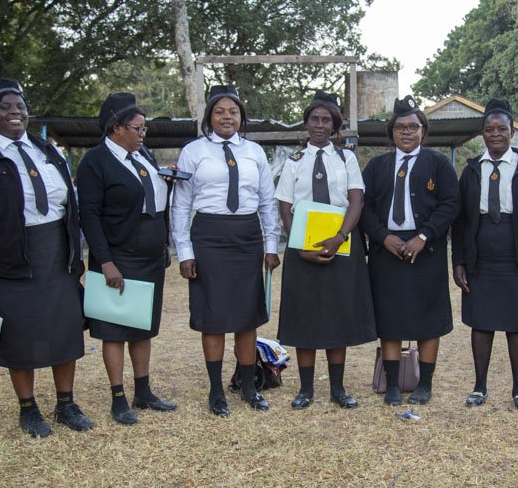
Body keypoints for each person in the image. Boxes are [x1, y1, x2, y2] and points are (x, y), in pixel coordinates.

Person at [0, 78, 89, 437]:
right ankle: (28, 408)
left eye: (21, 107)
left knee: (64, 330)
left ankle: (65, 404)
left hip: (56, 254)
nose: (15, 112)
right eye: (6, 107)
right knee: (18, 334)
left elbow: (69, 204)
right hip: (8, 259)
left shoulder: (48, 151)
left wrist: (76, 252)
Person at [172, 85, 281, 417]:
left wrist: (271, 245)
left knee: (247, 318)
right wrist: (185, 251)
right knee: (213, 318)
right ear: (209, 117)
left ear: (241, 117)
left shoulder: (254, 152)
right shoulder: (193, 151)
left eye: (233, 111)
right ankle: (216, 391)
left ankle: (248, 386)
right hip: (208, 237)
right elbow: (181, 205)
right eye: (219, 111)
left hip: (247, 237)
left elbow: (267, 201)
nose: (226, 117)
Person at [76, 92, 177, 425]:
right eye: (138, 128)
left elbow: (153, 199)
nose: (143, 134)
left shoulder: (142, 154)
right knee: (115, 328)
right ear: (116, 127)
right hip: (118, 255)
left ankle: (143, 391)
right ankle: (118, 397)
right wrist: (105, 261)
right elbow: (89, 215)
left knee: (142, 326)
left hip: (149, 254)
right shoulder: (95, 161)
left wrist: (167, 179)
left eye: (145, 128)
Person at [276, 91, 376, 410]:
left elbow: (356, 200)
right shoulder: (294, 162)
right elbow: (285, 205)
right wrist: (299, 245)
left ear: (334, 126)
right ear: (306, 123)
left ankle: (338, 388)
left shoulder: (347, 159)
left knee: (338, 316)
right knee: (304, 317)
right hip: (302, 247)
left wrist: (340, 237)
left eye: (326, 120)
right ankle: (306, 389)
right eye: (314, 119)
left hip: (341, 245)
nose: (320, 125)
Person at [451, 98, 518, 410]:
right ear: (483, 133)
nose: (495, 134)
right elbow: (460, 219)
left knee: (517, 324)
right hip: (480, 260)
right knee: (481, 323)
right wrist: (459, 261)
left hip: (517, 260)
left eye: (502, 128)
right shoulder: (471, 170)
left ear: (512, 132)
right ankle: (479, 387)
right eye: (489, 129)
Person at [360, 95, 459, 406]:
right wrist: (383, 237)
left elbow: (450, 204)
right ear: (391, 131)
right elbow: (363, 207)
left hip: (426, 252)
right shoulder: (377, 166)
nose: (406, 132)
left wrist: (423, 236)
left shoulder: (438, 164)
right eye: (400, 127)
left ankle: (424, 384)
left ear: (423, 131)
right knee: (390, 318)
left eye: (413, 127)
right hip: (385, 251)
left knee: (428, 319)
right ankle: (392, 384)